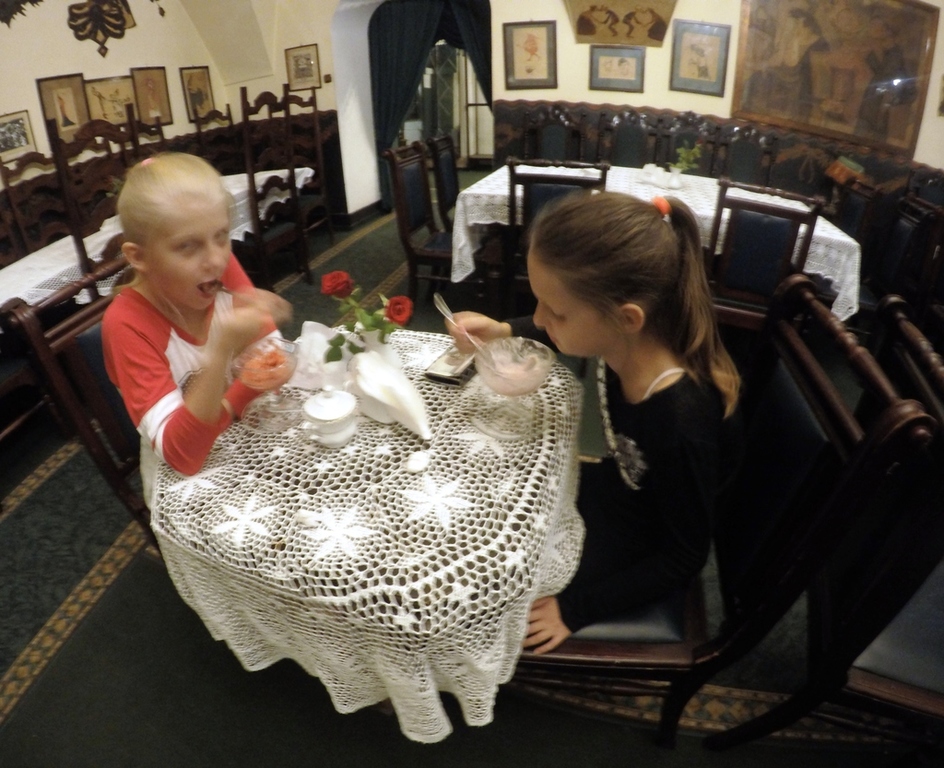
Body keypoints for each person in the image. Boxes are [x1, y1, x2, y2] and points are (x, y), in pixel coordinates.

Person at [447, 191, 742, 654]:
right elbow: (558, 327)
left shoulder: (680, 421)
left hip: (638, 551)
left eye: (555, 311)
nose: (540, 318)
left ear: (627, 318)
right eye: (539, 302)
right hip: (616, 494)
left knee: (476, 582)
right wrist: (504, 330)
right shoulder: (627, 339)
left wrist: (576, 609)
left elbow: (684, 556)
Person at [102, 153, 292, 507]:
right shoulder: (126, 324)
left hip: (243, 435)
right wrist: (220, 352)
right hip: (186, 481)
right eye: (187, 246)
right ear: (138, 256)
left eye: (221, 236)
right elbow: (183, 455)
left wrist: (225, 406)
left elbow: (273, 361)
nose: (216, 260)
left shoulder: (217, 266)